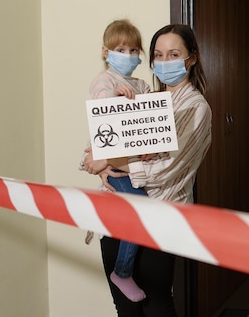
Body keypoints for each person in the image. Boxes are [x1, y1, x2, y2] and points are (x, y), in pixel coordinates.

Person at [83, 23, 212, 316]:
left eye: (174, 54)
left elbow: (165, 170)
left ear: (191, 58)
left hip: (159, 217)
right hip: (116, 212)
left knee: (156, 305)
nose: (165, 62)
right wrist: (100, 164)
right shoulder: (146, 99)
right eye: (159, 55)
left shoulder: (196, 107)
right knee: (126, 308)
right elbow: (104, 135)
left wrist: (109, 161)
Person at [82, 19, 150, 303]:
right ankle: (121, 273)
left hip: (134, 164)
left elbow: (148, 125)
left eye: (134, 49)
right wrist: (118, 100)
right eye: (121, 48)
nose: (129, 54)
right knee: (138, 214)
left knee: (141, 212)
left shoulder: (143, 84)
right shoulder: (105, 81)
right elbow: (104, 119)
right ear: (105, 52)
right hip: (114, 163)